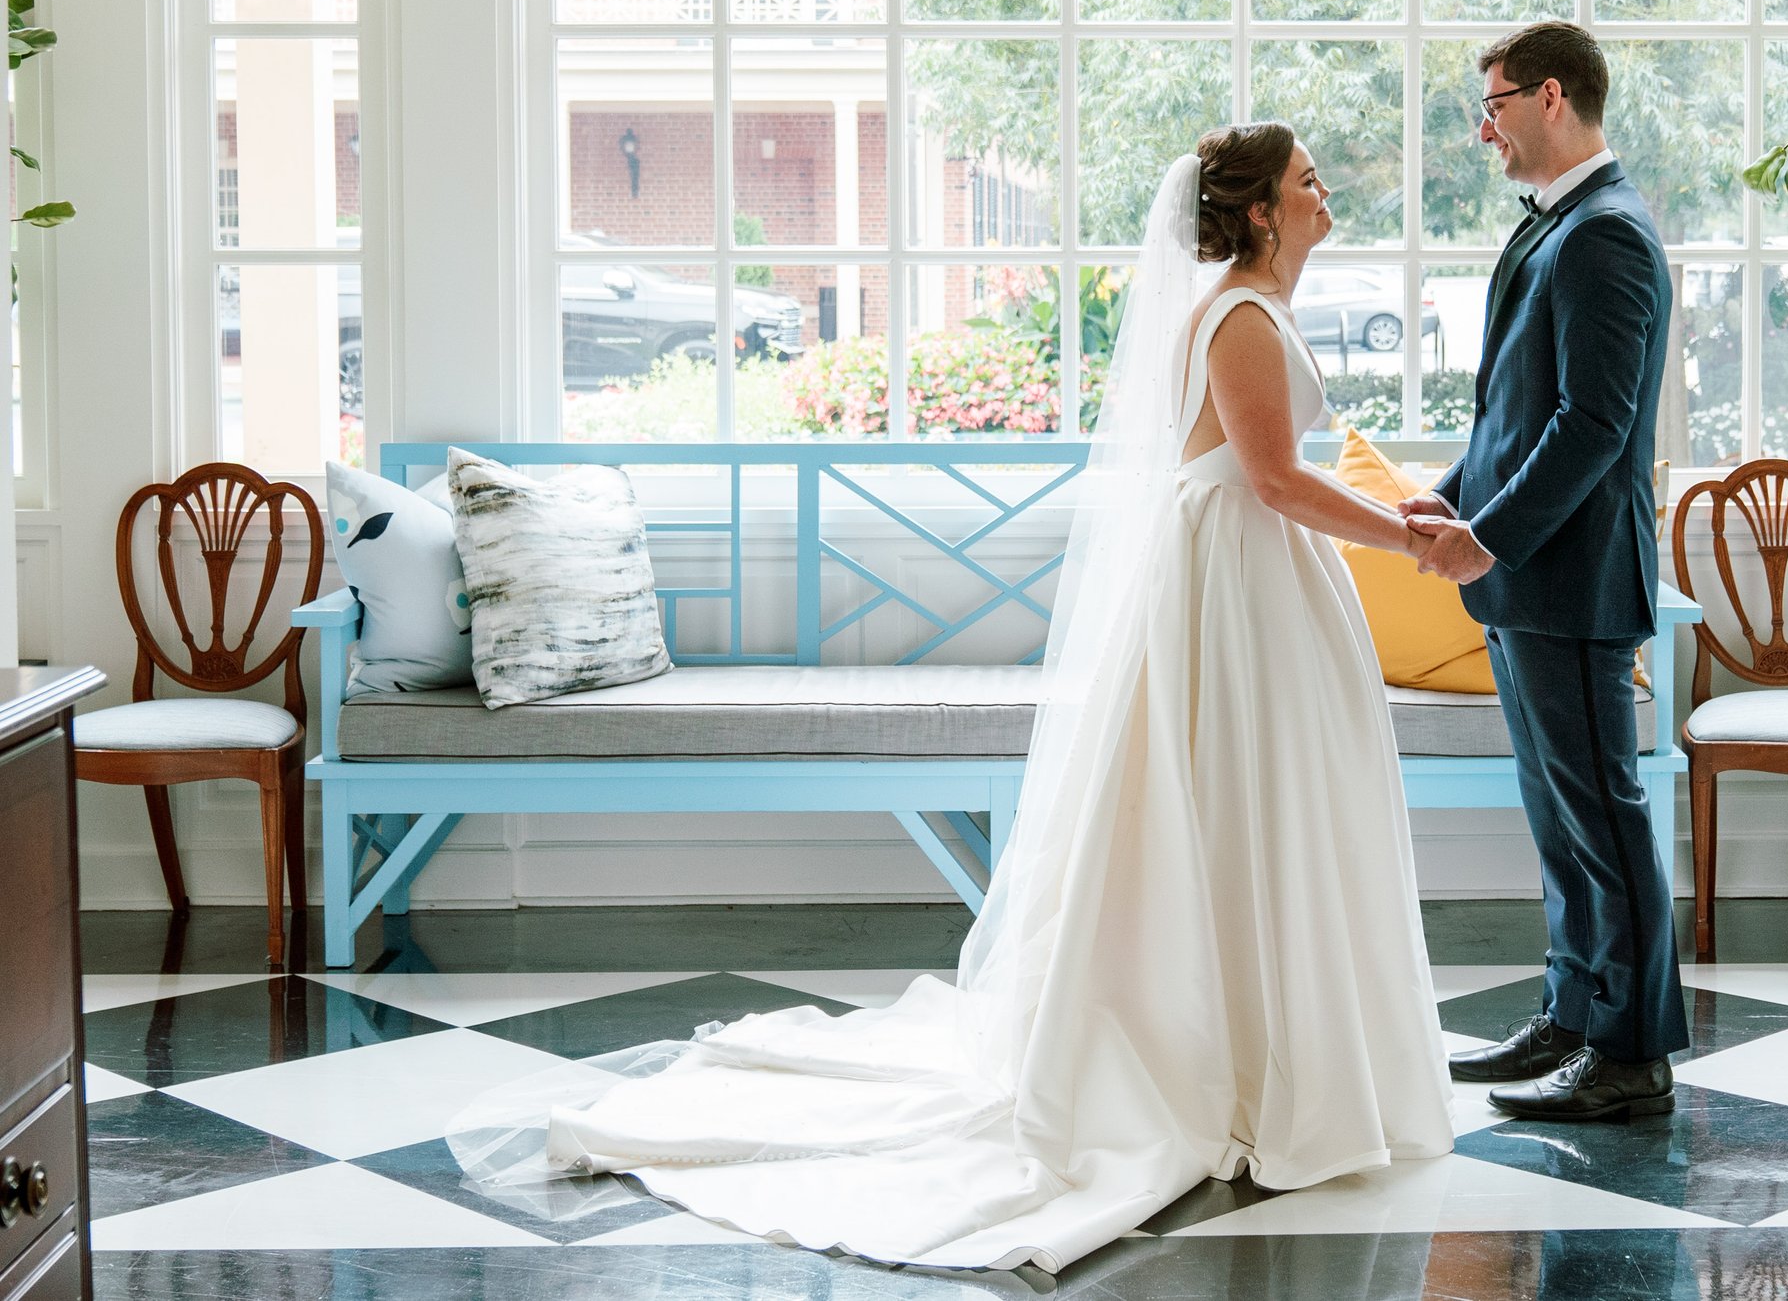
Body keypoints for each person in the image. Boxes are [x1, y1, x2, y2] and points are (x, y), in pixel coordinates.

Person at [455, 124, 1454, 1273]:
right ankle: (1222, 1060)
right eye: (1307, 180)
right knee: (1226, 805)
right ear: (1264, 213)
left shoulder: (1251, 310)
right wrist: (1414, 539)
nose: (1326, 192)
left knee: (1260, 813)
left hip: (1255, 584)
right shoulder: (1235, 315)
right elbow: (1272, 478)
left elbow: (1276, 470)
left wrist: (1406, 519)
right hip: (1234, 585)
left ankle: (1270, 1045)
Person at [1404, 21, 1691, 1122]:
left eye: (1496, 104)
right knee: (1558, 814)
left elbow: (1591, 426)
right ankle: (1571, 1014)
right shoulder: (1562, 226)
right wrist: (1450, 495)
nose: (1484, 128)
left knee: (1602, 813)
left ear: (1552, 97)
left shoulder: (1606, 234)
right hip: (1528, 576)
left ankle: (1629, 1052)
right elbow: (1513, 411)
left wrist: (1488, 536)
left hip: (1571, 579)